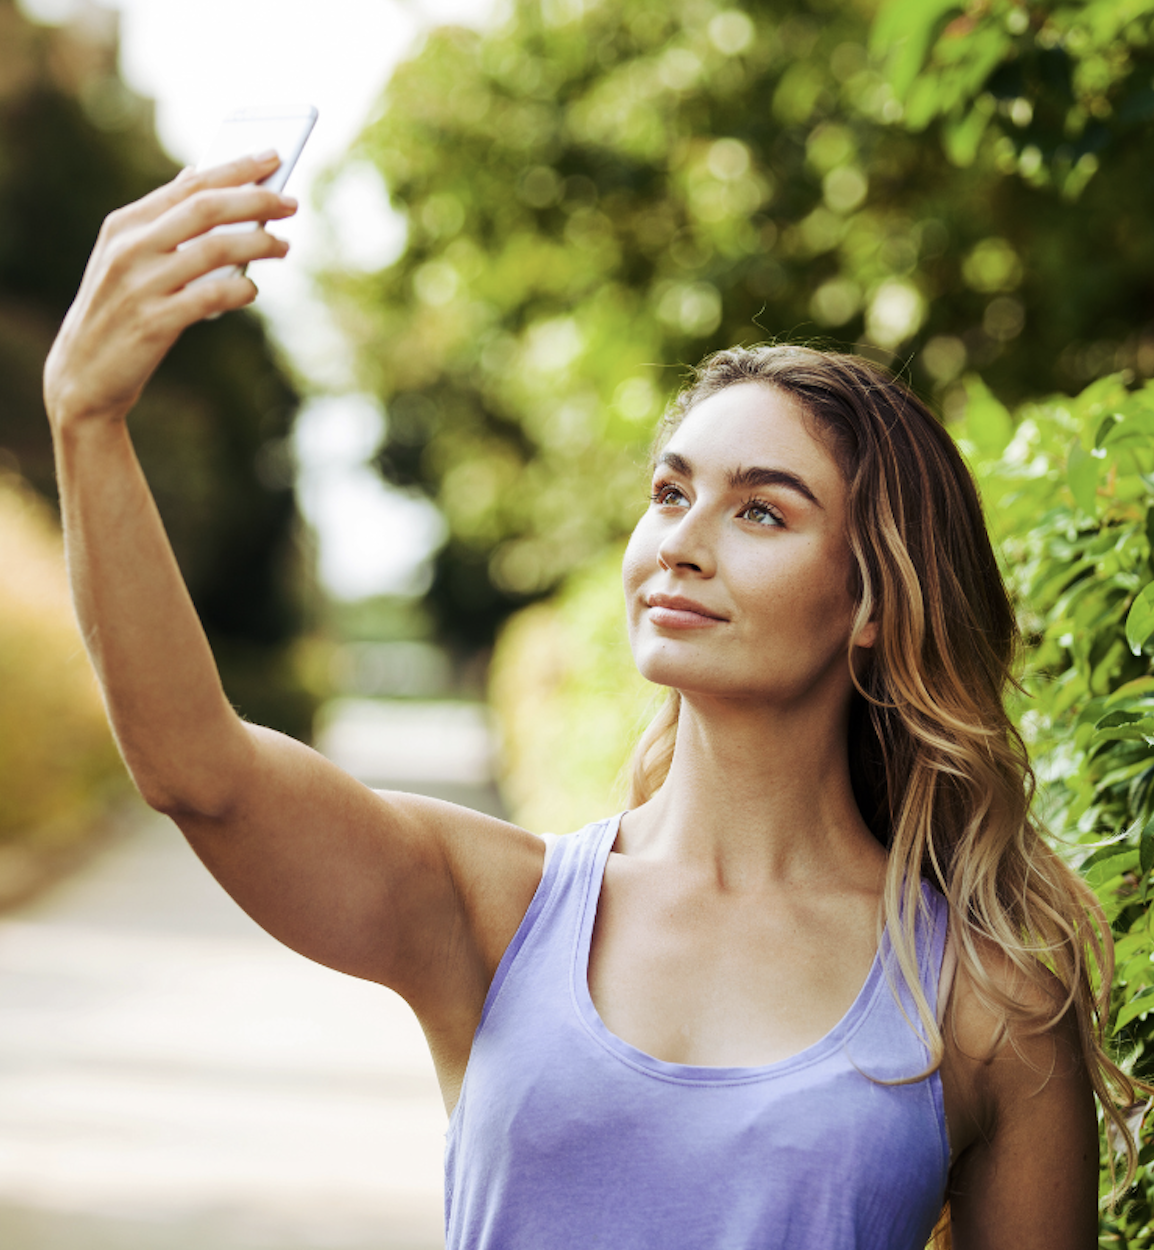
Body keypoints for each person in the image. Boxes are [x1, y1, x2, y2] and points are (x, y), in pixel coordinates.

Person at [44, 155, 1144, 1250]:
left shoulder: (985, 1004)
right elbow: (199, 771)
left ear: (868, 601)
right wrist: (87, 421)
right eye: (670, 493)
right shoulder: (492, 909)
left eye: (759, 513)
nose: (680, 543)